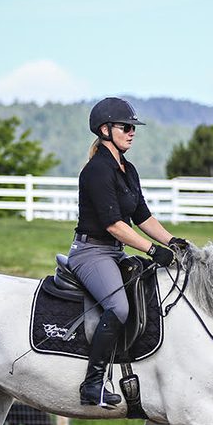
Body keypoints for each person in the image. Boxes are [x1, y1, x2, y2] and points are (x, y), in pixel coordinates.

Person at [70, 97, 189, 407]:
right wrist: (152, 249)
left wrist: (171, 241)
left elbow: (142, 217)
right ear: (105, 129)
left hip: (114, 253)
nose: (132, 132)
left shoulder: (128, 170)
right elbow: (113, 225)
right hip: (91, 253)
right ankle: (92, 384)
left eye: (133, 127)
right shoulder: (97, 171)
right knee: (120, 309)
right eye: (126, 127)